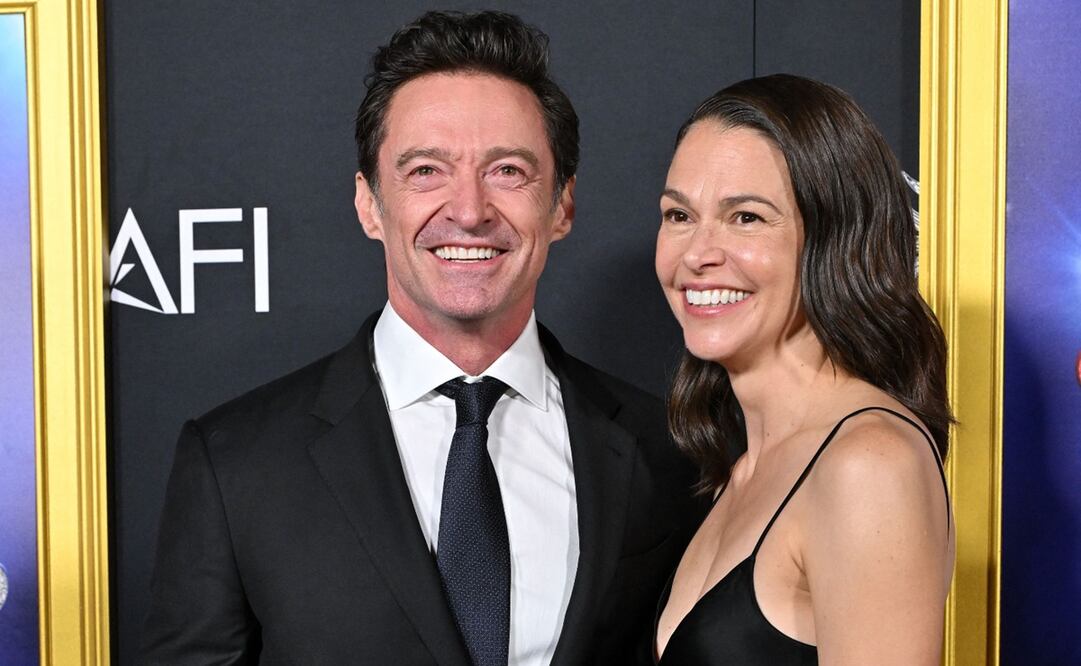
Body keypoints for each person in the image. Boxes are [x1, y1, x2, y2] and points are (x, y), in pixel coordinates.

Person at [140, 10, 701, 666]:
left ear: (562, 206)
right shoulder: (236, 464)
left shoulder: (664, 451)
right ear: (369, 204)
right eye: (426, 171)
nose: (468, 210)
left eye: (508, 171)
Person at [652, 74, 955, 664]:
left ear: (835, 238)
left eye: (746, 218)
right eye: (678, 215)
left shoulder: (868, 464)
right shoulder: (740, 470)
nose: (697, 253)